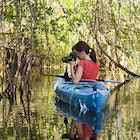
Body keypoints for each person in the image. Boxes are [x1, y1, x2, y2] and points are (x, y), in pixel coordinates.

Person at [68, 41, 100, 140]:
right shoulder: (96, 62)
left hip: (82, 89)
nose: (76, 56)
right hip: (92, 88)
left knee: (77, 118)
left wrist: (71, 65)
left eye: (76, 54)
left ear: (82, 52)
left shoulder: (82, 63)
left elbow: (75, 81)